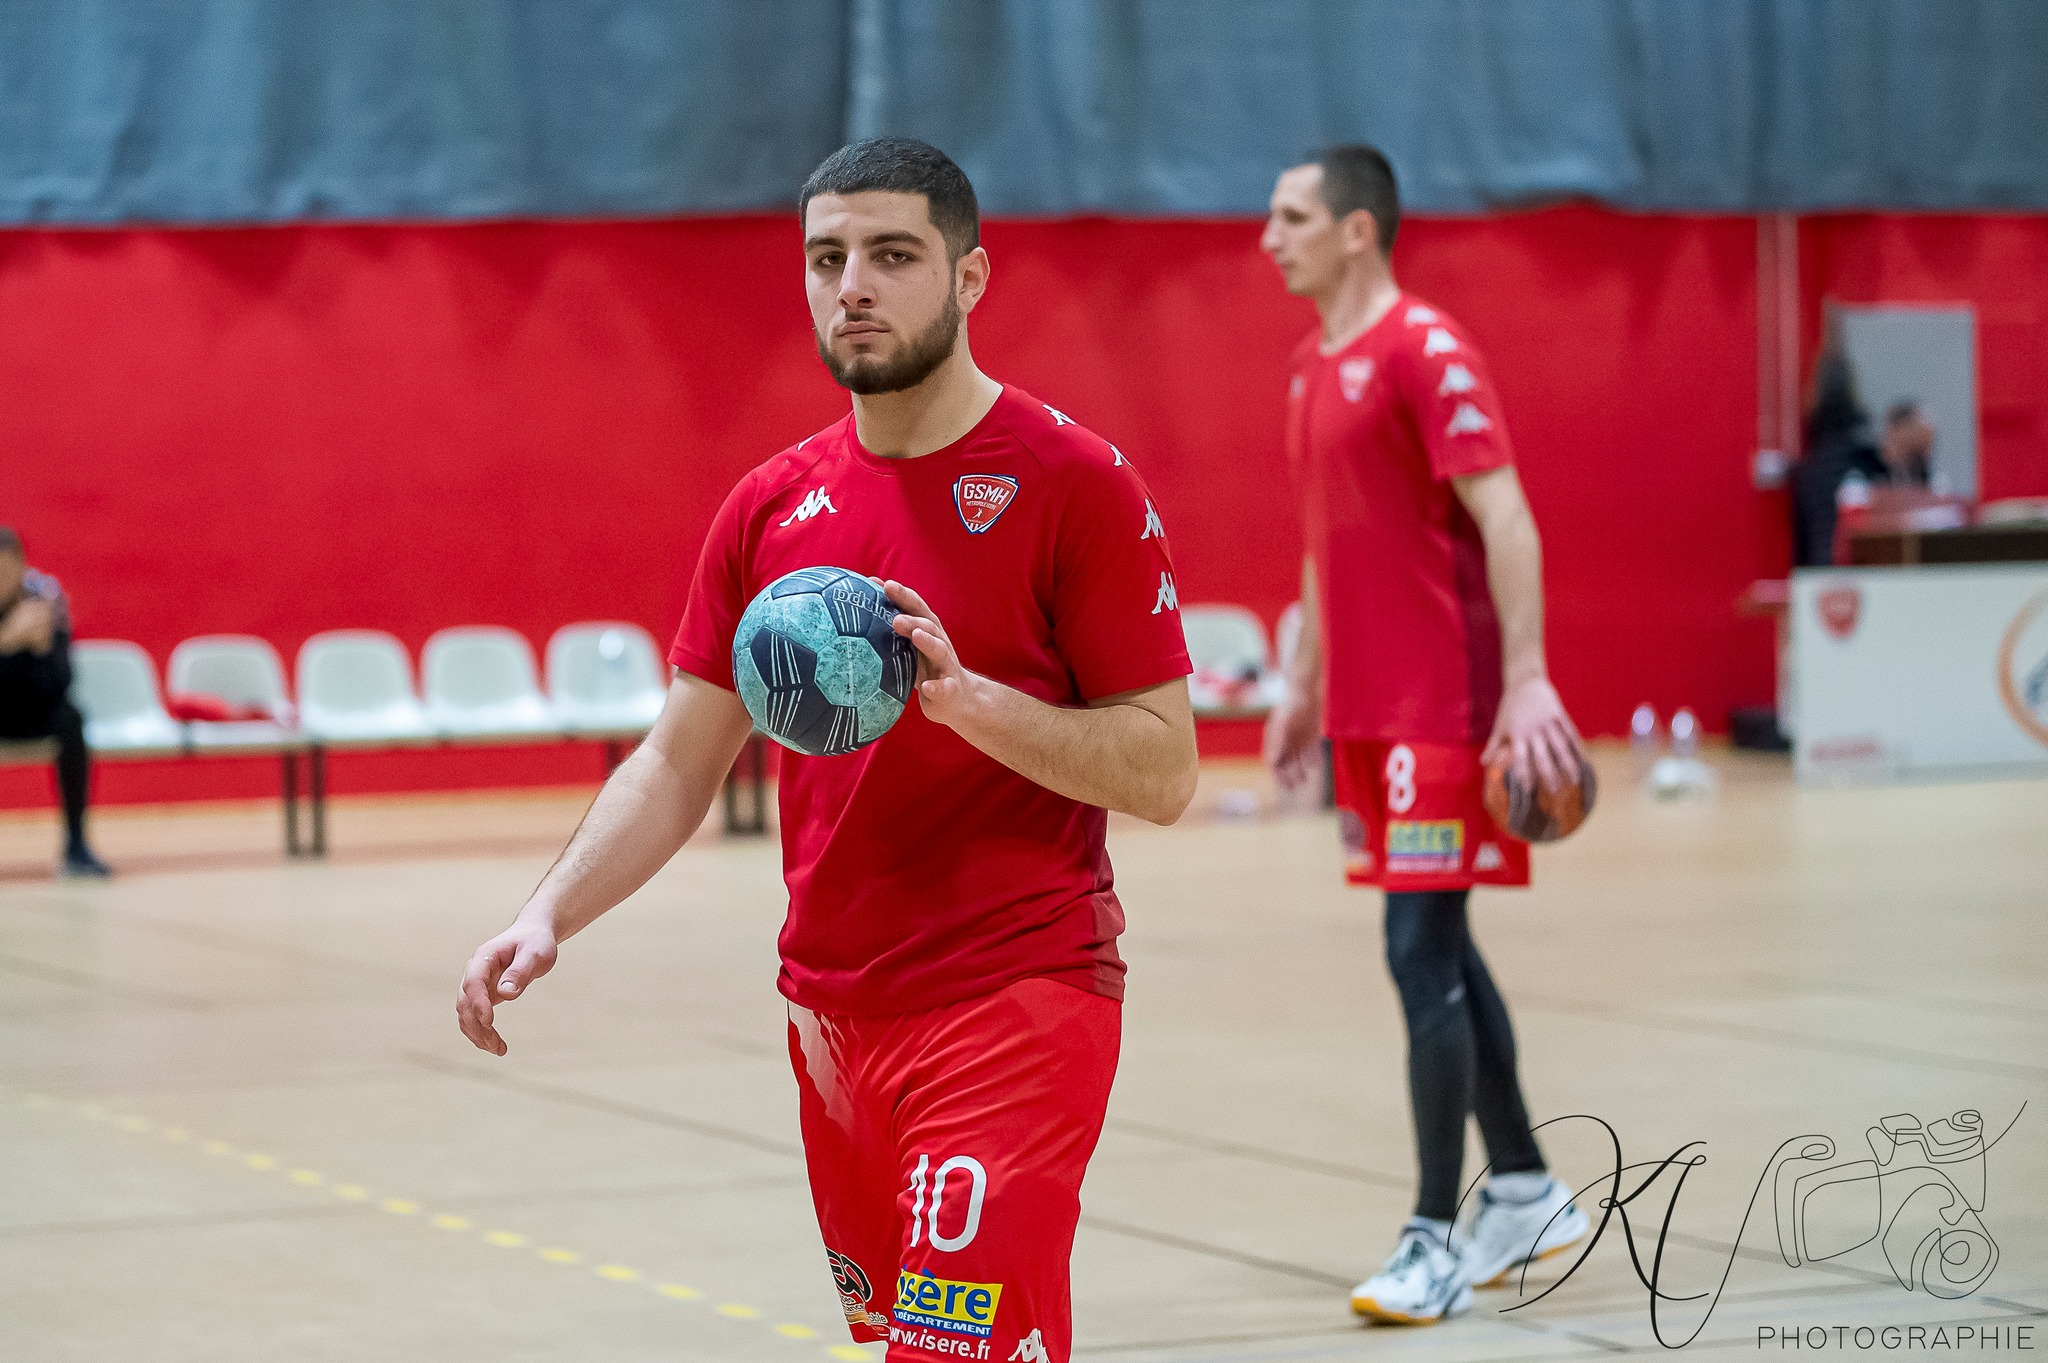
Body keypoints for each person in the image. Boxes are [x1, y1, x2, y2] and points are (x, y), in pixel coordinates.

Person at [456, 138, 1196, 1363]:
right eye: (825, 257)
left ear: (969, 278)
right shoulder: (768, 506)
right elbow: (680, 758)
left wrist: (972, 707)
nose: (850, 283)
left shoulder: (1075, 485)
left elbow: (1163, 770)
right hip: (831, 1017)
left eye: (891, 255)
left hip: (1014, 999)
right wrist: (549, 914)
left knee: (945, 1352)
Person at [1259, 147, 1588, 1325]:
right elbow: (1319, 543)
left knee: (1417, 949)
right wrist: (1301, 683)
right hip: (1364, 707)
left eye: (1289, 216)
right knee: (1438, 944)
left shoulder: (1425, 349)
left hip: (1444, 704)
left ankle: (1430, 1234)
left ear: (1357, 229)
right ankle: (1527, 1188)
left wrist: (1530, 680)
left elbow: (1506, 515)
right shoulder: (1308, 370)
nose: (1267, 236)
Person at [0, 528, 110, 878]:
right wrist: (7, 641)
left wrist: (42, 648)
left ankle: (76, 844)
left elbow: (61, 681)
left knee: (72, 718)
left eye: (6, 570)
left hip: (33, 708)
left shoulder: (46, 601)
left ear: (21, 567)